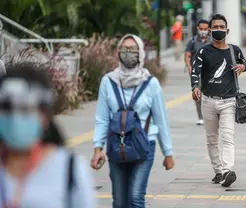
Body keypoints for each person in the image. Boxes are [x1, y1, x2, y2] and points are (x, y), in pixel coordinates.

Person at [90, 34, 174, 208]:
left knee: (135, 198)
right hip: (116, 145)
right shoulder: (108, 81)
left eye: (133, 49)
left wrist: (168, 153)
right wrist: (97, 148)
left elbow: (161, 119)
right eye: (124, 49)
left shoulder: (151, 83)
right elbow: (102, 118)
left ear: (141, 53)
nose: (128, 53)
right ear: (118, 52)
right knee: (119, 202)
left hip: (144, 145)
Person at [0, 62, 95, 208]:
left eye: (25, 109)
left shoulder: (70, 171)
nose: (15, 118)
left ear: (44, 115)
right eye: (7, 108)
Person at [191, 14, 246, 187]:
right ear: (209, 31)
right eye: (215, 27)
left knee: (228, 136)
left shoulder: (234, 50)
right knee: (211, 138)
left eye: (221, 27)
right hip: (208, 101)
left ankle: (227, 170)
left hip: (229, 101)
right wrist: (195, 87)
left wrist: (243, 67)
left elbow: (244, 62)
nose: (218, 30)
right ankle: (218, 170)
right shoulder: (203, 51)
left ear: (227, 30)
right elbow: (195, 71)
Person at [185, 19, 211, 126]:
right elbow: (187, 55)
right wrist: (189, 67)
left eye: (205, 29)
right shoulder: (193, 41)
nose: (203, 31)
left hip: (210, 72)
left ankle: (210, 116)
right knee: (197, 94)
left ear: (209, 30)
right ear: (198, 29)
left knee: (210, 95)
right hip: (197, 72)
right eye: (201, 29)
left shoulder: (212, 41)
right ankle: (200, 117)